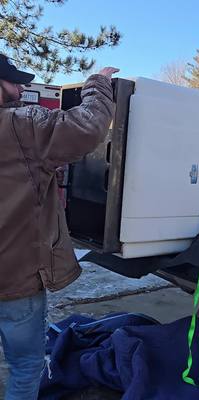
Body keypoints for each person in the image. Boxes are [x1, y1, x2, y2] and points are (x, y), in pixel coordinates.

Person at [0, 53, 119, 400]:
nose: (22, 87)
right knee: (25, 367)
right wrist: (97, 83)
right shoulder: (22, 126)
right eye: (13, 80)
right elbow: (88, 128)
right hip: (14, 280)